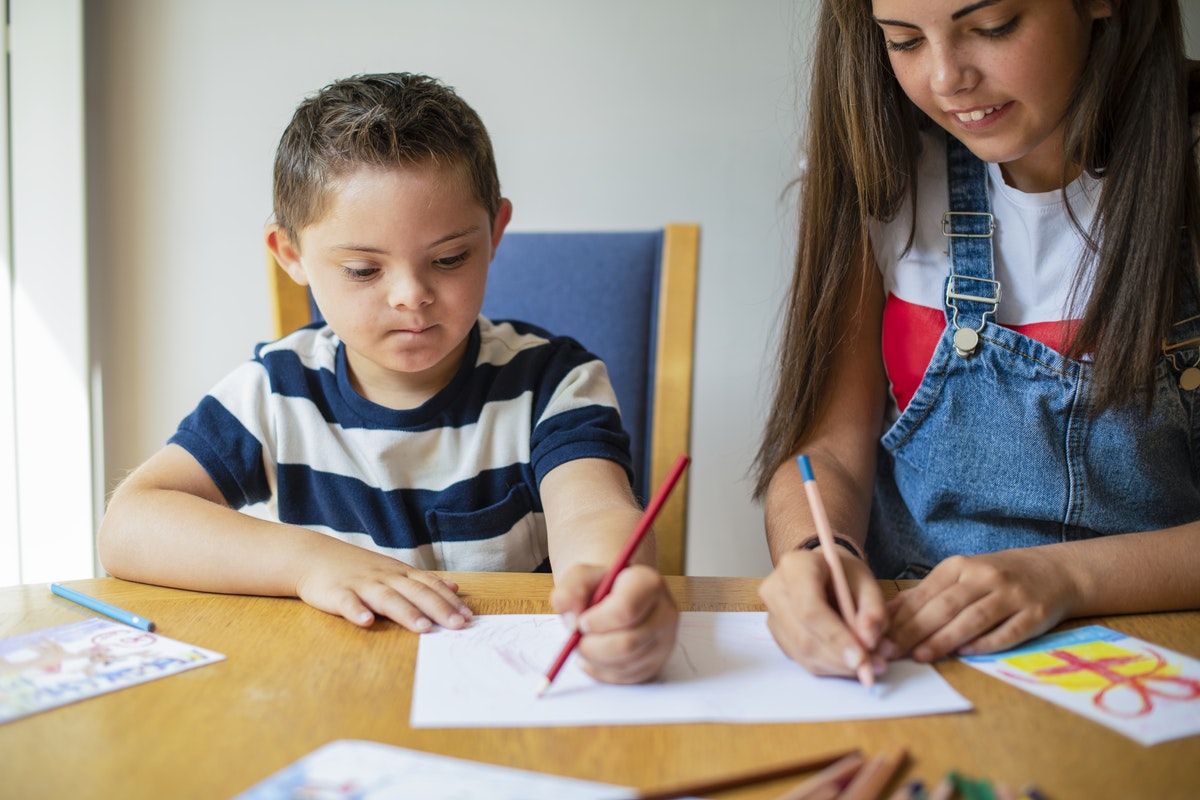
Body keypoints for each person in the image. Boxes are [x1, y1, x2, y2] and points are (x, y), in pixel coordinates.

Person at [98, 72, 677, 685]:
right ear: (290, 254)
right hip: (335, 695)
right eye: (362, 269)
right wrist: (310, 563)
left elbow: (592, 511)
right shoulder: (274, 391)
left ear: (495, 232)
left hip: (505, 694)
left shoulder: (555, 382)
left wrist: (613, 584)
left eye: (450, 258)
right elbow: (130, 525)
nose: (412, 296)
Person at [754, 0, 1200, 681]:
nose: (946, 79)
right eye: (904, 41)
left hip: (1153, 660)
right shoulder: (887, 166)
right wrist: (814, 552)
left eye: (992, 28)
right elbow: (827, 453)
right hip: (916, 657)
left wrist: (1066, 579)